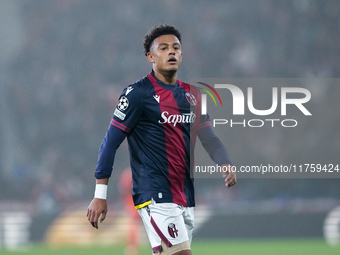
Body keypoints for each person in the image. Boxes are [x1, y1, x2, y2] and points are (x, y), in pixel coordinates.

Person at [87, 24, 236, 255]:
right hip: (156, 195)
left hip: (185, 196)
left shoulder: (192, 95)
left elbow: (210, 138)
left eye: (176, 48)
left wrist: (224, 162)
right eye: (164, 48)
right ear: (150, 56)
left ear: (182, 55)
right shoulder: (137, 94)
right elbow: (110, 143)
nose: (171, 52)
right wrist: (100, 195)